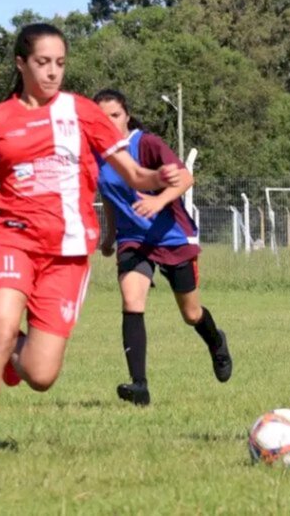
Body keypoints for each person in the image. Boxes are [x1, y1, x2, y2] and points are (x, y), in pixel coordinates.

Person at [0, 23, 183, 466]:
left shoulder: (84, 112)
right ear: (21, 63)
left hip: (68, 253)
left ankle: (15, 360)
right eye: (42, 62)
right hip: (12, 238)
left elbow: (134, 174)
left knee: (40, 374)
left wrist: (158, 179)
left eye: (60, 63)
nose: (53, 72)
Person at [93, 89, 232, 407]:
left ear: (126, 115)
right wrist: (110, 234)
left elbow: (185, 178)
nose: (109, 122)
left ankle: (216, 341)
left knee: (191, 313)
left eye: (114, 115)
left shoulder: (147, 144)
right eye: (101, 117)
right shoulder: (97, 154)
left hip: (171, 237)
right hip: (133, 241)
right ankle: (139, 386)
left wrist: (158, 200)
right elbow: (112, 197)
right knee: (132, 301)